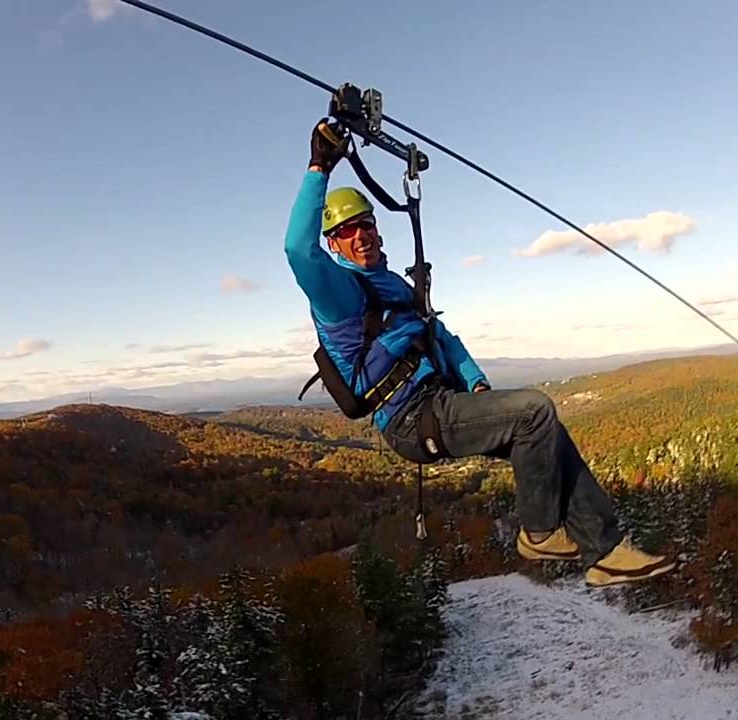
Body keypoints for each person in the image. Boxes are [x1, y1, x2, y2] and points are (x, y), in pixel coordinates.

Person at [283, 119, 675, 587]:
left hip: (439, 401)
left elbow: (440, 335)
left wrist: (475, 380)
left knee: (547, 436)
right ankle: (539, 533)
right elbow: (297, 251)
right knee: (535, 411)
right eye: (347, 231)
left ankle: (605, 552)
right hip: (412, 417)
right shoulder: (340, 293)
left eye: (366, 224)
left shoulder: (391, 286)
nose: (361, 235)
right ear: (334, 243)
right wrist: (318, 167)